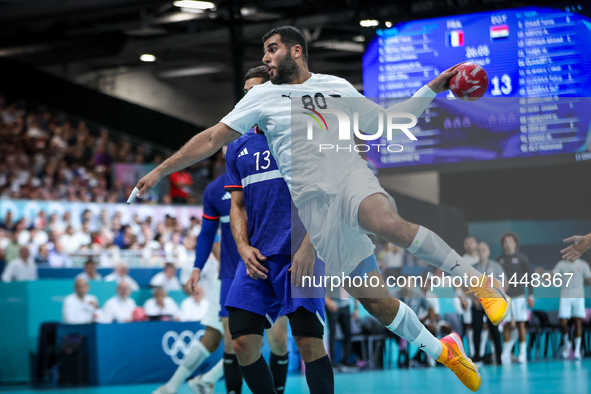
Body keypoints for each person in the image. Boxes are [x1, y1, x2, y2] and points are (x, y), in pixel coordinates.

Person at [135, 26, 510, 392]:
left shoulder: (336, 87)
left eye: (272, 49)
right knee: (377, 303)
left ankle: (477, 281)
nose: (265, 58)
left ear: (296, 51)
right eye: (264, 51)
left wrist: (431, 89)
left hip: (348, 179)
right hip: (317, 213)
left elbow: (385, 124)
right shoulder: (260, 98)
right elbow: (212, 138)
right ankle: (445, 351)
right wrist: (160, 170)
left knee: (385, 222)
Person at [213, 66, 330, 394]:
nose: (250, 98)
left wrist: (309, 247)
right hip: (256, 259)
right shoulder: (237, 148)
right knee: (242, 341)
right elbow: (237, 206)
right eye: (246, 92)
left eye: (258, 91)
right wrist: (242, 246)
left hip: (300, 253)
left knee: (307, 342)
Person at [497, 232, 533, 364]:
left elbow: (529, 277)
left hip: (519, 296)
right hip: (505, 298)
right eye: (505, 242)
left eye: (510, 241)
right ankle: (506, 354)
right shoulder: (499, 259)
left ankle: (522, 354)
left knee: (520, 324)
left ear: (515, 243)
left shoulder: (522, 258)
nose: (507, 244)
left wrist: (530, 295)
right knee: (506, 325)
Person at [471, 243, 504, 364]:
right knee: (477, 330)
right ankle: (477, 356)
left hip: (492, 304)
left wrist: (499, 297)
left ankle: (499, 356)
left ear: (489, 252)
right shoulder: (472, 268)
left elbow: (504, 282)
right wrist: (473, 299)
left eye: (483, 250)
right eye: (479, 250)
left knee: (494, 331)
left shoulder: (495, 266)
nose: (481, 252)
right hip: (477, 304)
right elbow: (466, 285)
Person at [552, 257, 591, 360]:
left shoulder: (583, 264)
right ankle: (567, 343)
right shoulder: (561, 264)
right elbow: (552, 277)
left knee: (578, 323)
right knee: (563, 322)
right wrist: (543, 274)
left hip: (579, 298)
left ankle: (577, 350)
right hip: (565, 297)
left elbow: (589, 278)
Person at [325, 289, 356, 370]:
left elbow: (356, 287)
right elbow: (320, 286)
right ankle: (333, 362)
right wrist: (327, 300)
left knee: (348, 333)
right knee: (333, 334)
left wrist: (356, 309)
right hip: (332, 304)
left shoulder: (347, 276)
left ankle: (346, 361)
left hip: (345, 305)